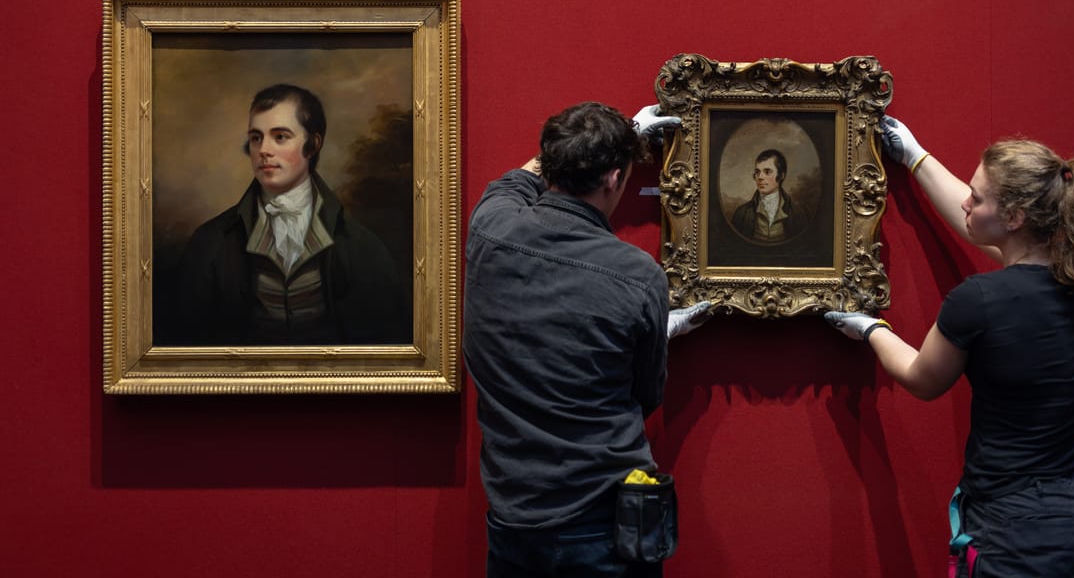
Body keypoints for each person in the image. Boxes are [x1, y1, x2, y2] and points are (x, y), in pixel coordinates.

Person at [826, 115, 1074, 577]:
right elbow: (983, 232)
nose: (966, 201)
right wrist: (914, 156)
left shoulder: (978, 300)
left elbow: (923, 379)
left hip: (1018, 532)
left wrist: (868, 328)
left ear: (1015, 217)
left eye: (977, 197)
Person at [463, 101, 710, 578]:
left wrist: (611, 137)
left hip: (512, 514)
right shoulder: (639, 276)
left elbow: (518, 177)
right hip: (601, 522)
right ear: (614, 179)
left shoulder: (489, 226)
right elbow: (647, 395)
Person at [163, 83, 409, 346]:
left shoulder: (360, 245)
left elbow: (385, 344)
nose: (263, 150)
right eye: (256, 137)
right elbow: (186, 343)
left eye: (280, 137)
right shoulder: (210, 242)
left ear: (313, 145)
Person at [730, 148, 803, 243]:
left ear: (781, 175)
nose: (760, 177)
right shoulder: (741, 213)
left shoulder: (797, 213)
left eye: (767, 172)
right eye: (757, 172)